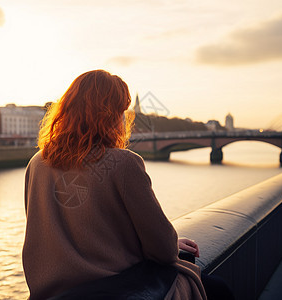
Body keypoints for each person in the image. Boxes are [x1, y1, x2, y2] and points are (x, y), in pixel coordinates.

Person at [22, 70, 227, 299]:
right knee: (219, 290)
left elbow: (59, 233)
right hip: (114, 289)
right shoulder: (123, 163)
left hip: (53, 294)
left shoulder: (37, 163)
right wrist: (171, 242)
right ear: (108, 116)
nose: (124, 119)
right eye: (121, 111)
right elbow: (164, 250)